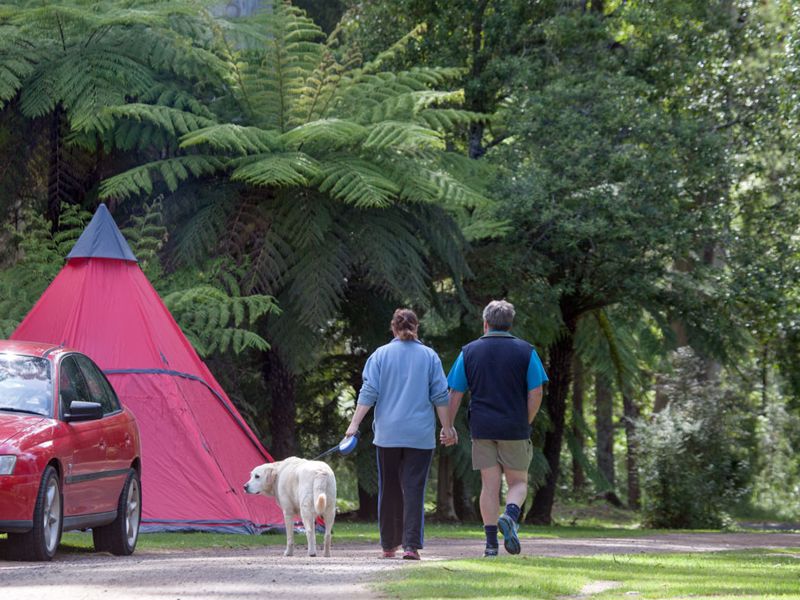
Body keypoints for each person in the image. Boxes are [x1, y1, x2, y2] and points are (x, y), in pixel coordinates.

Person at [344, 308, 453, 560]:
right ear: (417, 328)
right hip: (420, 435)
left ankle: (388, 545)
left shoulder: (380, 355)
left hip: (388, 434)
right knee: (414, 489)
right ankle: (411, 547)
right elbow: (440, 395)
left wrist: (354, 425)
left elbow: (369, 392)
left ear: (393, 328)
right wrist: (447, 428)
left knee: (389, 488)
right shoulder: (429, 356)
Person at [443, 300, 548, 557]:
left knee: (489, 486)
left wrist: (448, 427)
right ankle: (510, 516)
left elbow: (454, 392)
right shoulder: (526, 351)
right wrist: (527, 419)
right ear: (510, 323)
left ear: (485, 323)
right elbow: (536, 392)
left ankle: (491, 546)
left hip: (482, 428)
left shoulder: (468, 352)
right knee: (519, 482)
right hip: (514, 427)